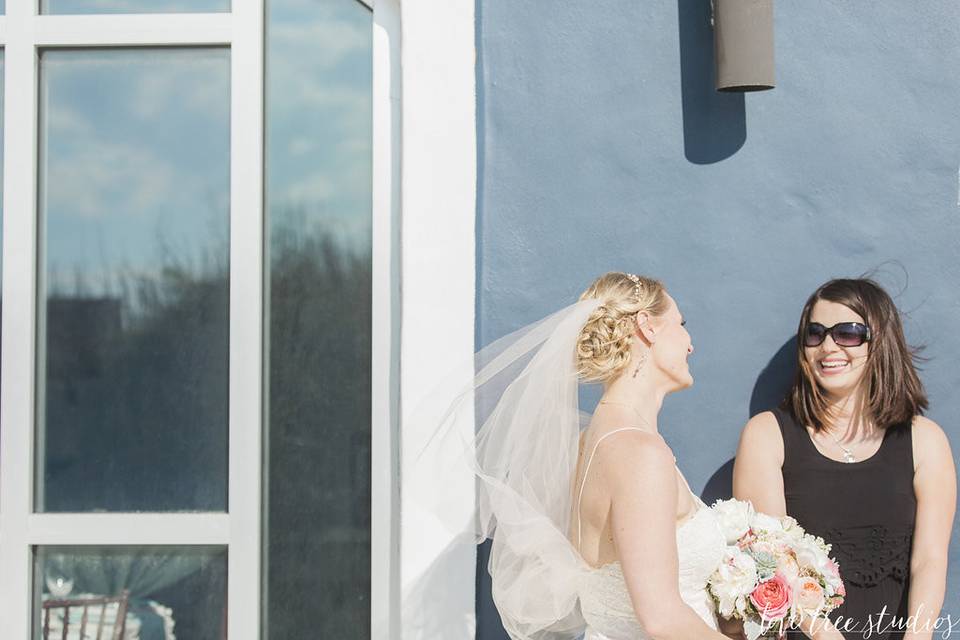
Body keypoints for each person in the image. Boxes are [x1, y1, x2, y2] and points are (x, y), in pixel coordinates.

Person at [426, 271, 739, 640]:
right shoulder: (639, 453)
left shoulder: (592, 442)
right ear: (647, 327)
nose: (690, 343)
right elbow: (662, 618)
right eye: (680, 323)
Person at [733, 278, 956, 640]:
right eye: (815, 333)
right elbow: (772, 558)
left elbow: (930, 560)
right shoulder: (768, 435)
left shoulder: (925, 440)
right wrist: (823, 634)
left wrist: (919, 636)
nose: (828, 346)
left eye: (848, 333)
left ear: (880, 340)